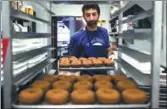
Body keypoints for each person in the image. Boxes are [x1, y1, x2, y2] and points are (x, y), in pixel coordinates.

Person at [68, 4, 113, 75]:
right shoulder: (76, 37)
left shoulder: (104, 32)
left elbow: (108, 49)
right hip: (85, 78)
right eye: (88, 15)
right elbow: (72, 59)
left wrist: (110, 55)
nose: (91, 18)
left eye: (94, 14)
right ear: (84, 16)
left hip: (104, 77)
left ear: (99, 15)